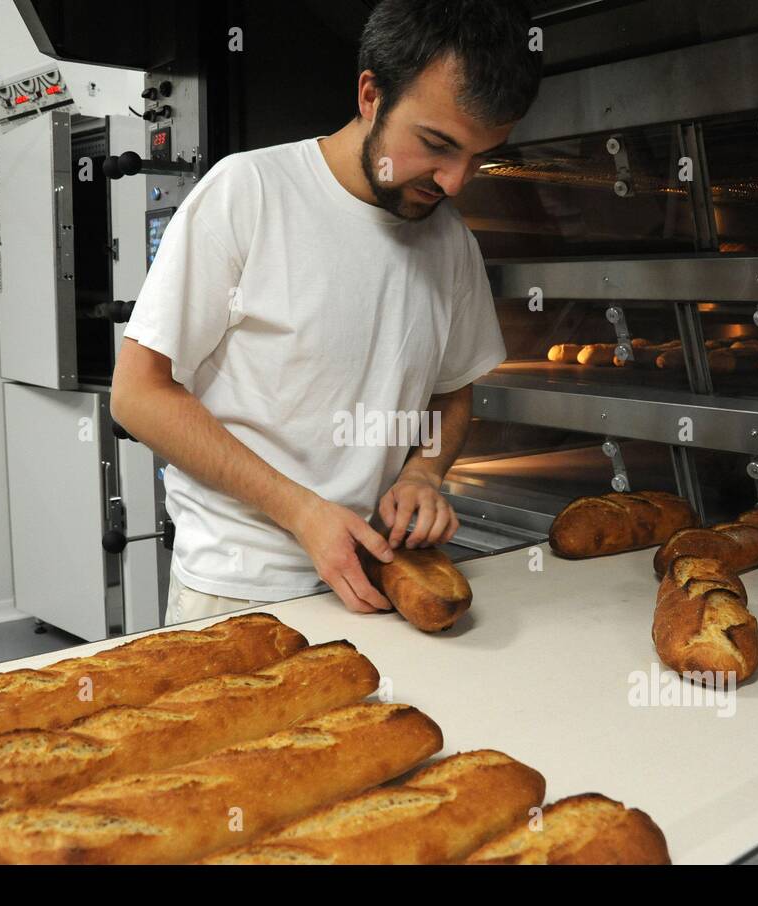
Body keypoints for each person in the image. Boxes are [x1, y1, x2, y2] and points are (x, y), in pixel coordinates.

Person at [112, 0, 542, 626]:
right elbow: (138, 394)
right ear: (371, 94)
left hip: (383, 582)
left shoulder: (450, 242)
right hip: (238, 593)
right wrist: (303, 512)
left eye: (478, 157)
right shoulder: (249, 193)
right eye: (436, 145)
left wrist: (424, 473)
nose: (454, 182)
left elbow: (452, 394)